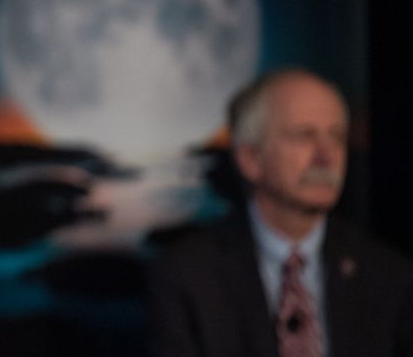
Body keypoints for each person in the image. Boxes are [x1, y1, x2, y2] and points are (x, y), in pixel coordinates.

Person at [147, 68, 413, 357]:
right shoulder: (187, 276)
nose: (327, 156)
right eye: (303, 136)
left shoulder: (390, 276)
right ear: (251, 159)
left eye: (336, 137)